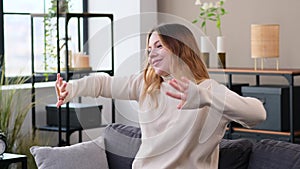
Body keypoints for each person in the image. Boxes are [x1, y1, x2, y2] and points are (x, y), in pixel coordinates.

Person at [55, 23, 266, 169]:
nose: (150, 54)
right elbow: (103, 83)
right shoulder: (147, 86)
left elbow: (258, 113)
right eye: (148, 49)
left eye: (158, 46)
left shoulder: (208, 90)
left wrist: (205, 97)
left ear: (180, 49)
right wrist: (72, 89)